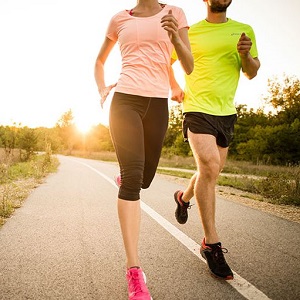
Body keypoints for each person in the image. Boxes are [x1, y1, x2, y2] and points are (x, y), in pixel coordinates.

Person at [94, 1, 193, 299]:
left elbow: (189, 65)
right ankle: (134, 270)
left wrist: (176, 38)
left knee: (145, 178)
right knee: (134, 177)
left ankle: (129, 178)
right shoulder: (119, 19)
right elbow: (99, 61)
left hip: (157, 105)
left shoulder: (175, 13)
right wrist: (101, 87)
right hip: (124, 100)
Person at [170, 0, 260, 280]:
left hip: (226, 112)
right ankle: (211, 244)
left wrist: (245, 56)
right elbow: (164, 60)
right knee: (209, 168)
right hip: (196, 108)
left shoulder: (243, 31)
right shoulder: (191, 31)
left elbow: (252, 71)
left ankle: (183, 198)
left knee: (211, 170)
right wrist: (174, 86)